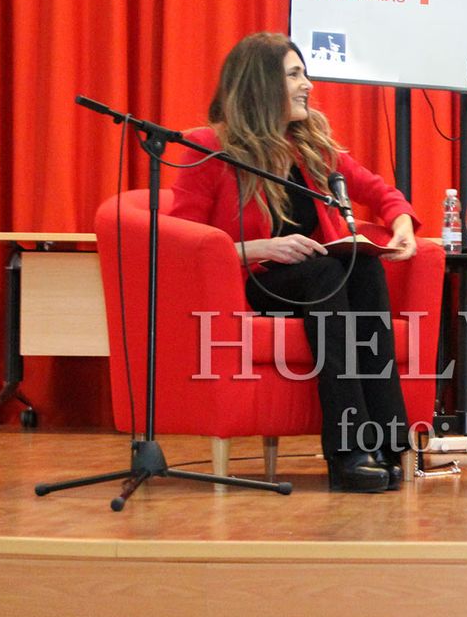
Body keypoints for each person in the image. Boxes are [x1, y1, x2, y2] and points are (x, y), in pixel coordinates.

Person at [171, 32, 421, 493]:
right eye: (294, 74)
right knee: (328, 271)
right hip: (253, 282)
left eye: (304, 73)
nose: (308, 84)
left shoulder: (311, 146)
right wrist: (259, 249)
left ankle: (385, 440)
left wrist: (401, 221)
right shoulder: (209, 147)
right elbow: (184, 243)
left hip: (317, 282)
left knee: (361, 267)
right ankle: (347, 452)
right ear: (262, 84)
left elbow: (379, 191)